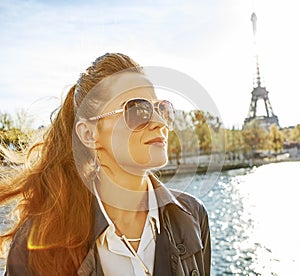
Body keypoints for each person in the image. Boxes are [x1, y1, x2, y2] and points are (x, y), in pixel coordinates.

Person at [0, 53, 211, 275]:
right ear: (89, 134)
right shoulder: (35, 244)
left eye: (162, 108)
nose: (159, 122)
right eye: (138, 110)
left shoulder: (194, 216)